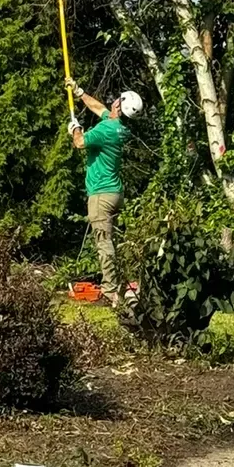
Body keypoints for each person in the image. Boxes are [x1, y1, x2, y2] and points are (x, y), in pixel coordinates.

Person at [68, 79, 144, 308]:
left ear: (119, 106)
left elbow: (80, 143)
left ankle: (110, 292)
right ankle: (123, 283)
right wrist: (79, 91)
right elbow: (98, 108)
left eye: (118, 99)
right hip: (115, 193)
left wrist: (75, 128)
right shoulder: (119, 128)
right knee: (114, 241)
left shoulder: (105, 131)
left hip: (101, 194)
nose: (113, 100)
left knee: (104, 242)